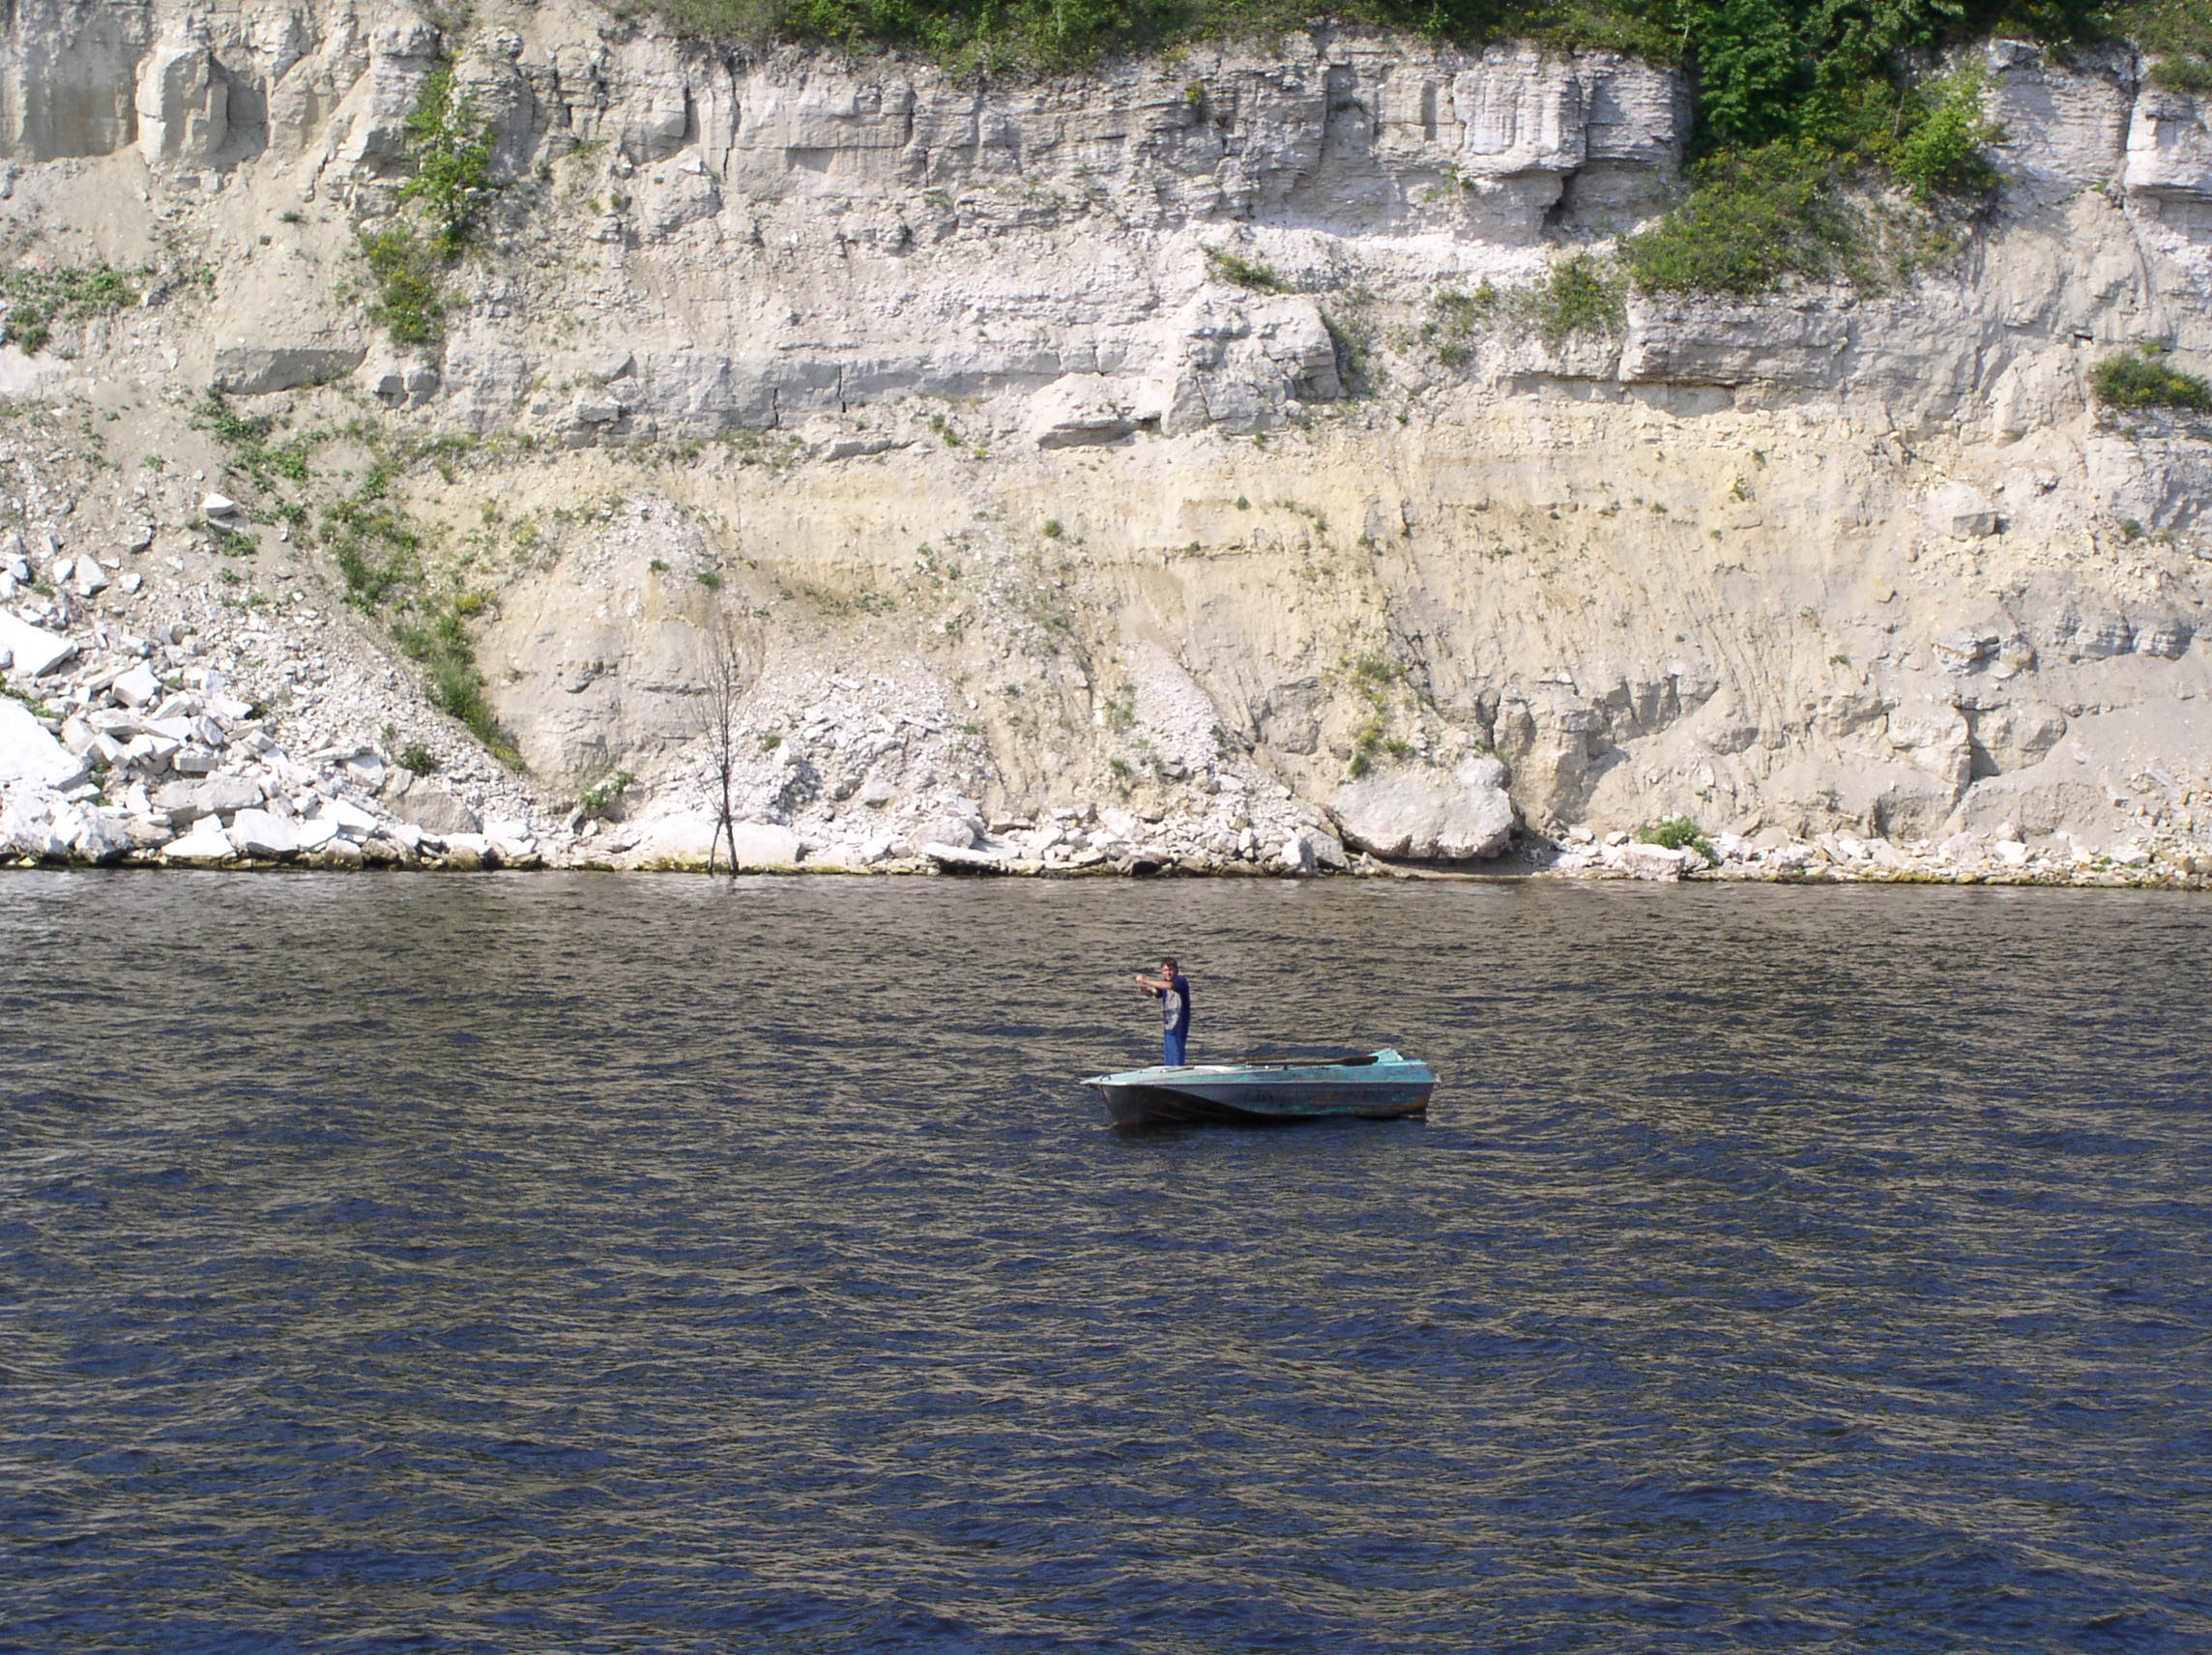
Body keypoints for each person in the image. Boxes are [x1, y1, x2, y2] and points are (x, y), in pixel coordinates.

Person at [1136, 956, 1192, 1066]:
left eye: (1171, 970)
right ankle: (1168, 1072)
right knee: (1169, 1057)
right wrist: (1145, 991)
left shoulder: (1180, 981)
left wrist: (1146, 980)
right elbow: (1154, 992)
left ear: (1176, 970)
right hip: (1168, 1026)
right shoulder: (1164, 984)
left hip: (1179, 1026)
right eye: (1165, 970)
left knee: (1177, 1057)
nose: (1168, 973)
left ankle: (1177, 1075)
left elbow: (1170, 986)